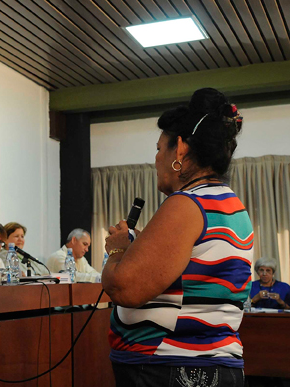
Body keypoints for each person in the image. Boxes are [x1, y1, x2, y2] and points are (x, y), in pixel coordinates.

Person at [102, 88, 252, 386]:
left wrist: (118, 250)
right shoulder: (228, 203)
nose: (156, 159)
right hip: (204, 367)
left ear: (180, 149)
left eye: (159, 149)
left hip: (172, 367)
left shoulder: (187, 203)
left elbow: (124, 288)